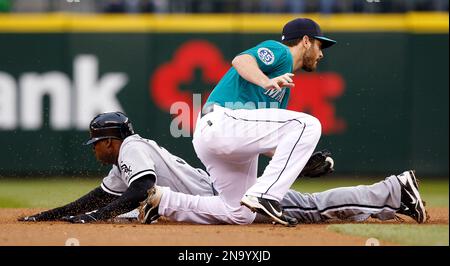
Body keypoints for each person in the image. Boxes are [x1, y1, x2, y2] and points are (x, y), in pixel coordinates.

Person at [19, 112, 427, 224]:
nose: (95, 151)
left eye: (96, 144)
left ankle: (393, 190)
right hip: (212, 195)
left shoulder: (132, 149)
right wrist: (47, 217)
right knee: (309, 206)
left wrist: (91, 220)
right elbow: (99, 196)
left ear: (110, 141)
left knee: (310, 209)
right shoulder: (126, 160)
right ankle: (392, 194)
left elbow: (141, 190)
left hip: (220, 197)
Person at [141, 17, 339, 227]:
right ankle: (265, 195)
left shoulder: (284, 87)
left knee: (240, 213)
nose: (321, 53)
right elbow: (241, 60)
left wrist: (301, 162)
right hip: (222, 121)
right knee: (308, 125)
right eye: (320, 44)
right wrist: (266, 81)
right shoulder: (280, 52)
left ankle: (164, 202)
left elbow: (267, 140)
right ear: (306, 41)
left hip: (222, 137)